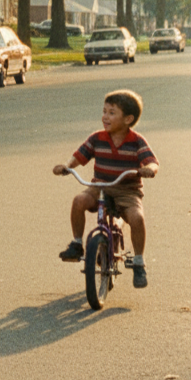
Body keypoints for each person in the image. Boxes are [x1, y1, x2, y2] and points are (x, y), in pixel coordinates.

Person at [54, 89, 158, 288]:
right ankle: (76, 244)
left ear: (128, 119)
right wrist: (67, 166)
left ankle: (138, 261)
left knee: (137, 218)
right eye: (104, 111)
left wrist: (149, 169)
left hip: (127, 190)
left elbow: (152, 162)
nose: (105, 117)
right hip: (100, 186)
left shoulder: (136, 141)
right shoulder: (97, 138)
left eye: (112, 113)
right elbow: (80, 155)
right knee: (78, 201)